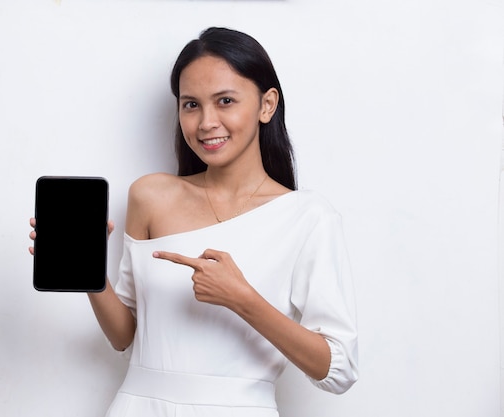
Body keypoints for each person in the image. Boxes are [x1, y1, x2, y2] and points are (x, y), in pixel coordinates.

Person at [30, 26, 358, 417]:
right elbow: (124, 338)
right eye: (191, 105)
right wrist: (89, 272)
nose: (206, 122)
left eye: (225, 101)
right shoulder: (150, 195)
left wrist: (242, 299)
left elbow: (338, 369)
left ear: (267, 105)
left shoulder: (308, 218)